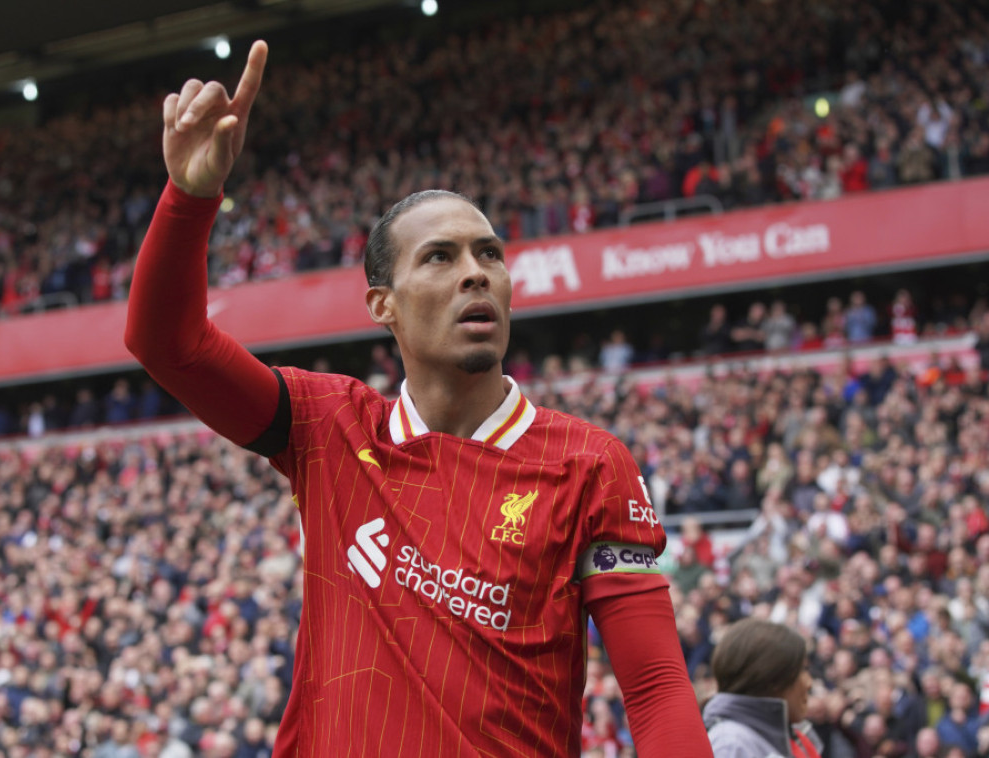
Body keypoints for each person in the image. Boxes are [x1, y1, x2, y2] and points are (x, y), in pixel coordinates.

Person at [124, 41, 711, 757]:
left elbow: (654, 688)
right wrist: (190, 197)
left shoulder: (589, 464)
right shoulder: (328, 427)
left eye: (489, 254)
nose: (476, 273)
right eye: (440, 257)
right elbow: (167, 344)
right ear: (384, 305)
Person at [702, 618, 822, 758]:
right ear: (772, 678)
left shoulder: (791, 737)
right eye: (802, 669)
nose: (809, 683)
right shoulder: (732, 746)